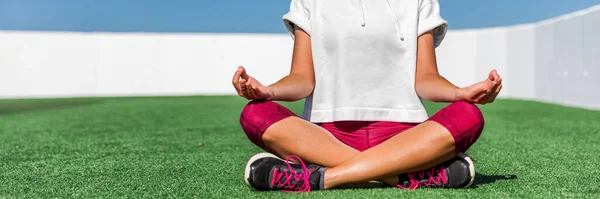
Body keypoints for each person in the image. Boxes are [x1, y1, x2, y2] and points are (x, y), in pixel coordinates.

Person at [232, 0, 502, 192]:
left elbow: (426, 79)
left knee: (469, 115)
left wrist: (460, 92)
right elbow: (302, 80)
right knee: (255, 112)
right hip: (326, 138)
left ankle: (322, 179)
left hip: (404, 139)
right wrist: (269, 91)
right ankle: (402, 176)